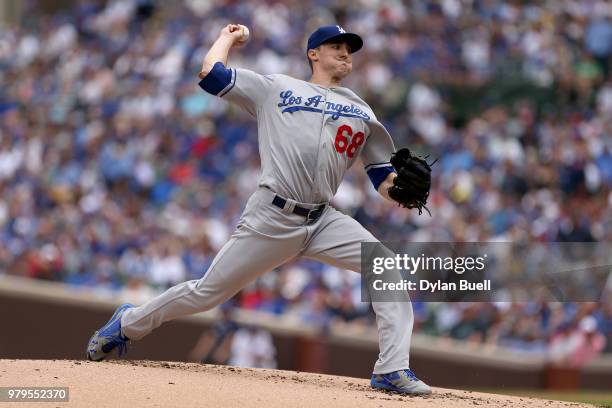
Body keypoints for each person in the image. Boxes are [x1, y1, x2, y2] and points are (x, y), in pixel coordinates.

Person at [86, 24, 431, 395]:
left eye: (350, 48)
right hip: (273, 214)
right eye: (336, 46)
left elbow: (381, 177)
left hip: (323, 218)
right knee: (207, 293)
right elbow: (211, 75)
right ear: (313, 53)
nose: (346, 53)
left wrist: (402, 192)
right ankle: (128, 323)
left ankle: (392, 369)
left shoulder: (360, 110)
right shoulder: (277, 87)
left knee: (384, 264)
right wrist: (227, 39)